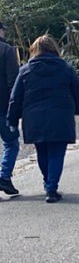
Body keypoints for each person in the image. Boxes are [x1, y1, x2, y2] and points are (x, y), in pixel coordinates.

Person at [7, 34, 79, 202]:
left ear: (35, 50)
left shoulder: (26, 70)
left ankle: (47, 182)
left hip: (34, 118)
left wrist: (12, 120)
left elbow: (15, 97)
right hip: (60, 116)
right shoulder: (66, 68)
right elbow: (78, 91)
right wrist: (77, 109)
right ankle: (51, 187)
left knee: (42, 151)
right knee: (57, 152)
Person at [0, 20, 20, 197]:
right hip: (3, 106)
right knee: (11, 143)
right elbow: (13, 81)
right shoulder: (7, 50)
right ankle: (4, 176)